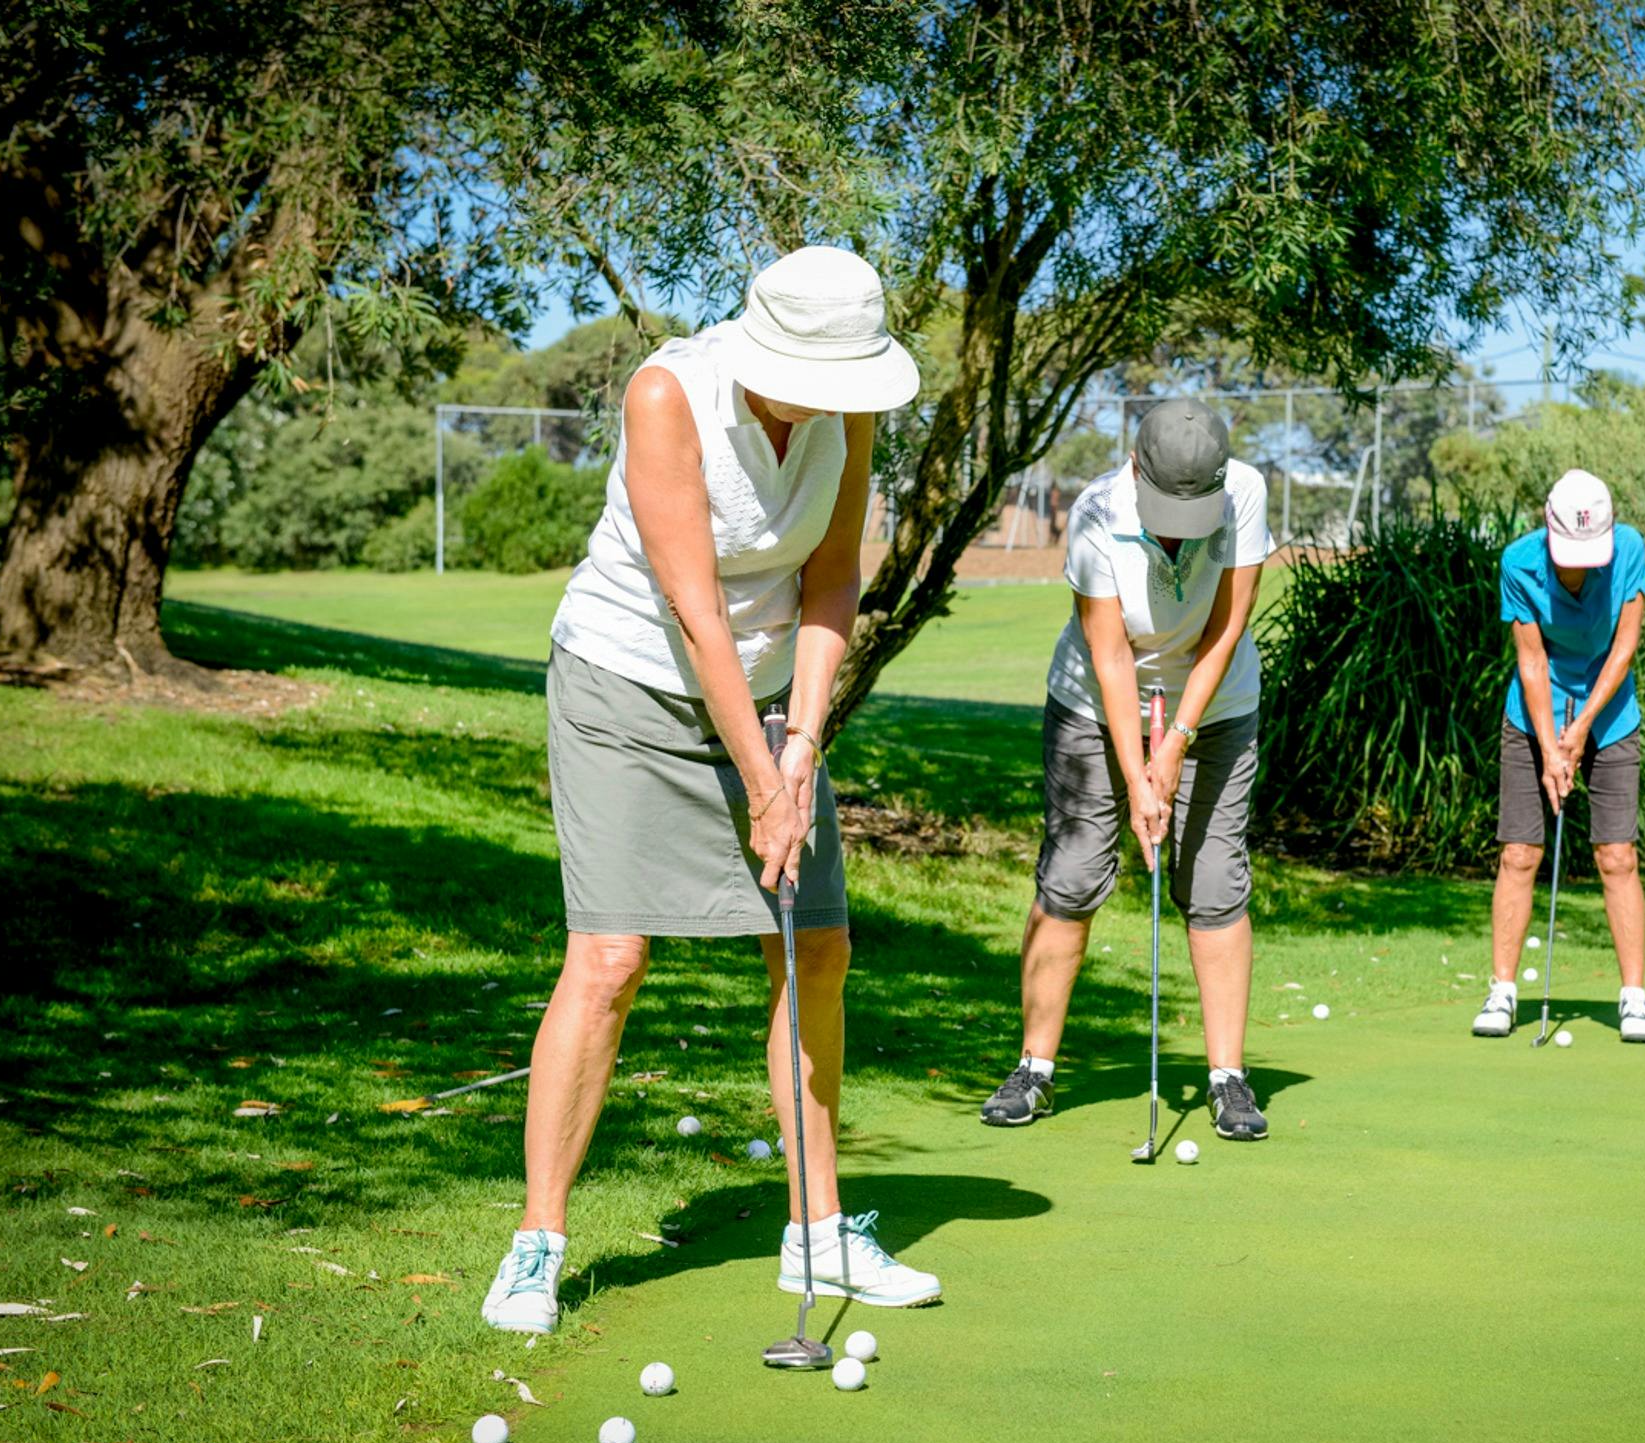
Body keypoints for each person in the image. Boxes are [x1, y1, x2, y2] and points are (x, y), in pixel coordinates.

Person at [480, 246, 939, 1335]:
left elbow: (832, 576)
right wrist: (759, 777)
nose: (832, 397)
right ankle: (536, 1247)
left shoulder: (843, 405)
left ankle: (816, 1233)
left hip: (776, 694)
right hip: (629, 683)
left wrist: (806, 744)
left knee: (815, 944)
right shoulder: (666, 393)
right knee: (609, 959)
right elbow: (692, 608)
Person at [978, 401, 1275, 1141]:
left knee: (1212, 880)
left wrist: (1172, 744)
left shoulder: (1245, 493)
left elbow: (1225, 628)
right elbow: (1109, 653)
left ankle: (1227, 1079)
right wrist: (1138, 772)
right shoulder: (1095, 514)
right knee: (1073, 873)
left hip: (1217, 699)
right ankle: (1035, 1070)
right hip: (1093, 702)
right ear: (1136, 469)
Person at [1471, 469, 1645, 1044]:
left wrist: (1580, 731)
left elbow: (1624, 647)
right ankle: (1502, 991)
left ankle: (1633, 998)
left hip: (1611, 712)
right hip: (1533, 713)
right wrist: (1552, 744)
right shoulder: (1518, 562)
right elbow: (1531, 660)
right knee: (1521, 853)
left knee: (1617, 855)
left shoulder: (1628, 549)